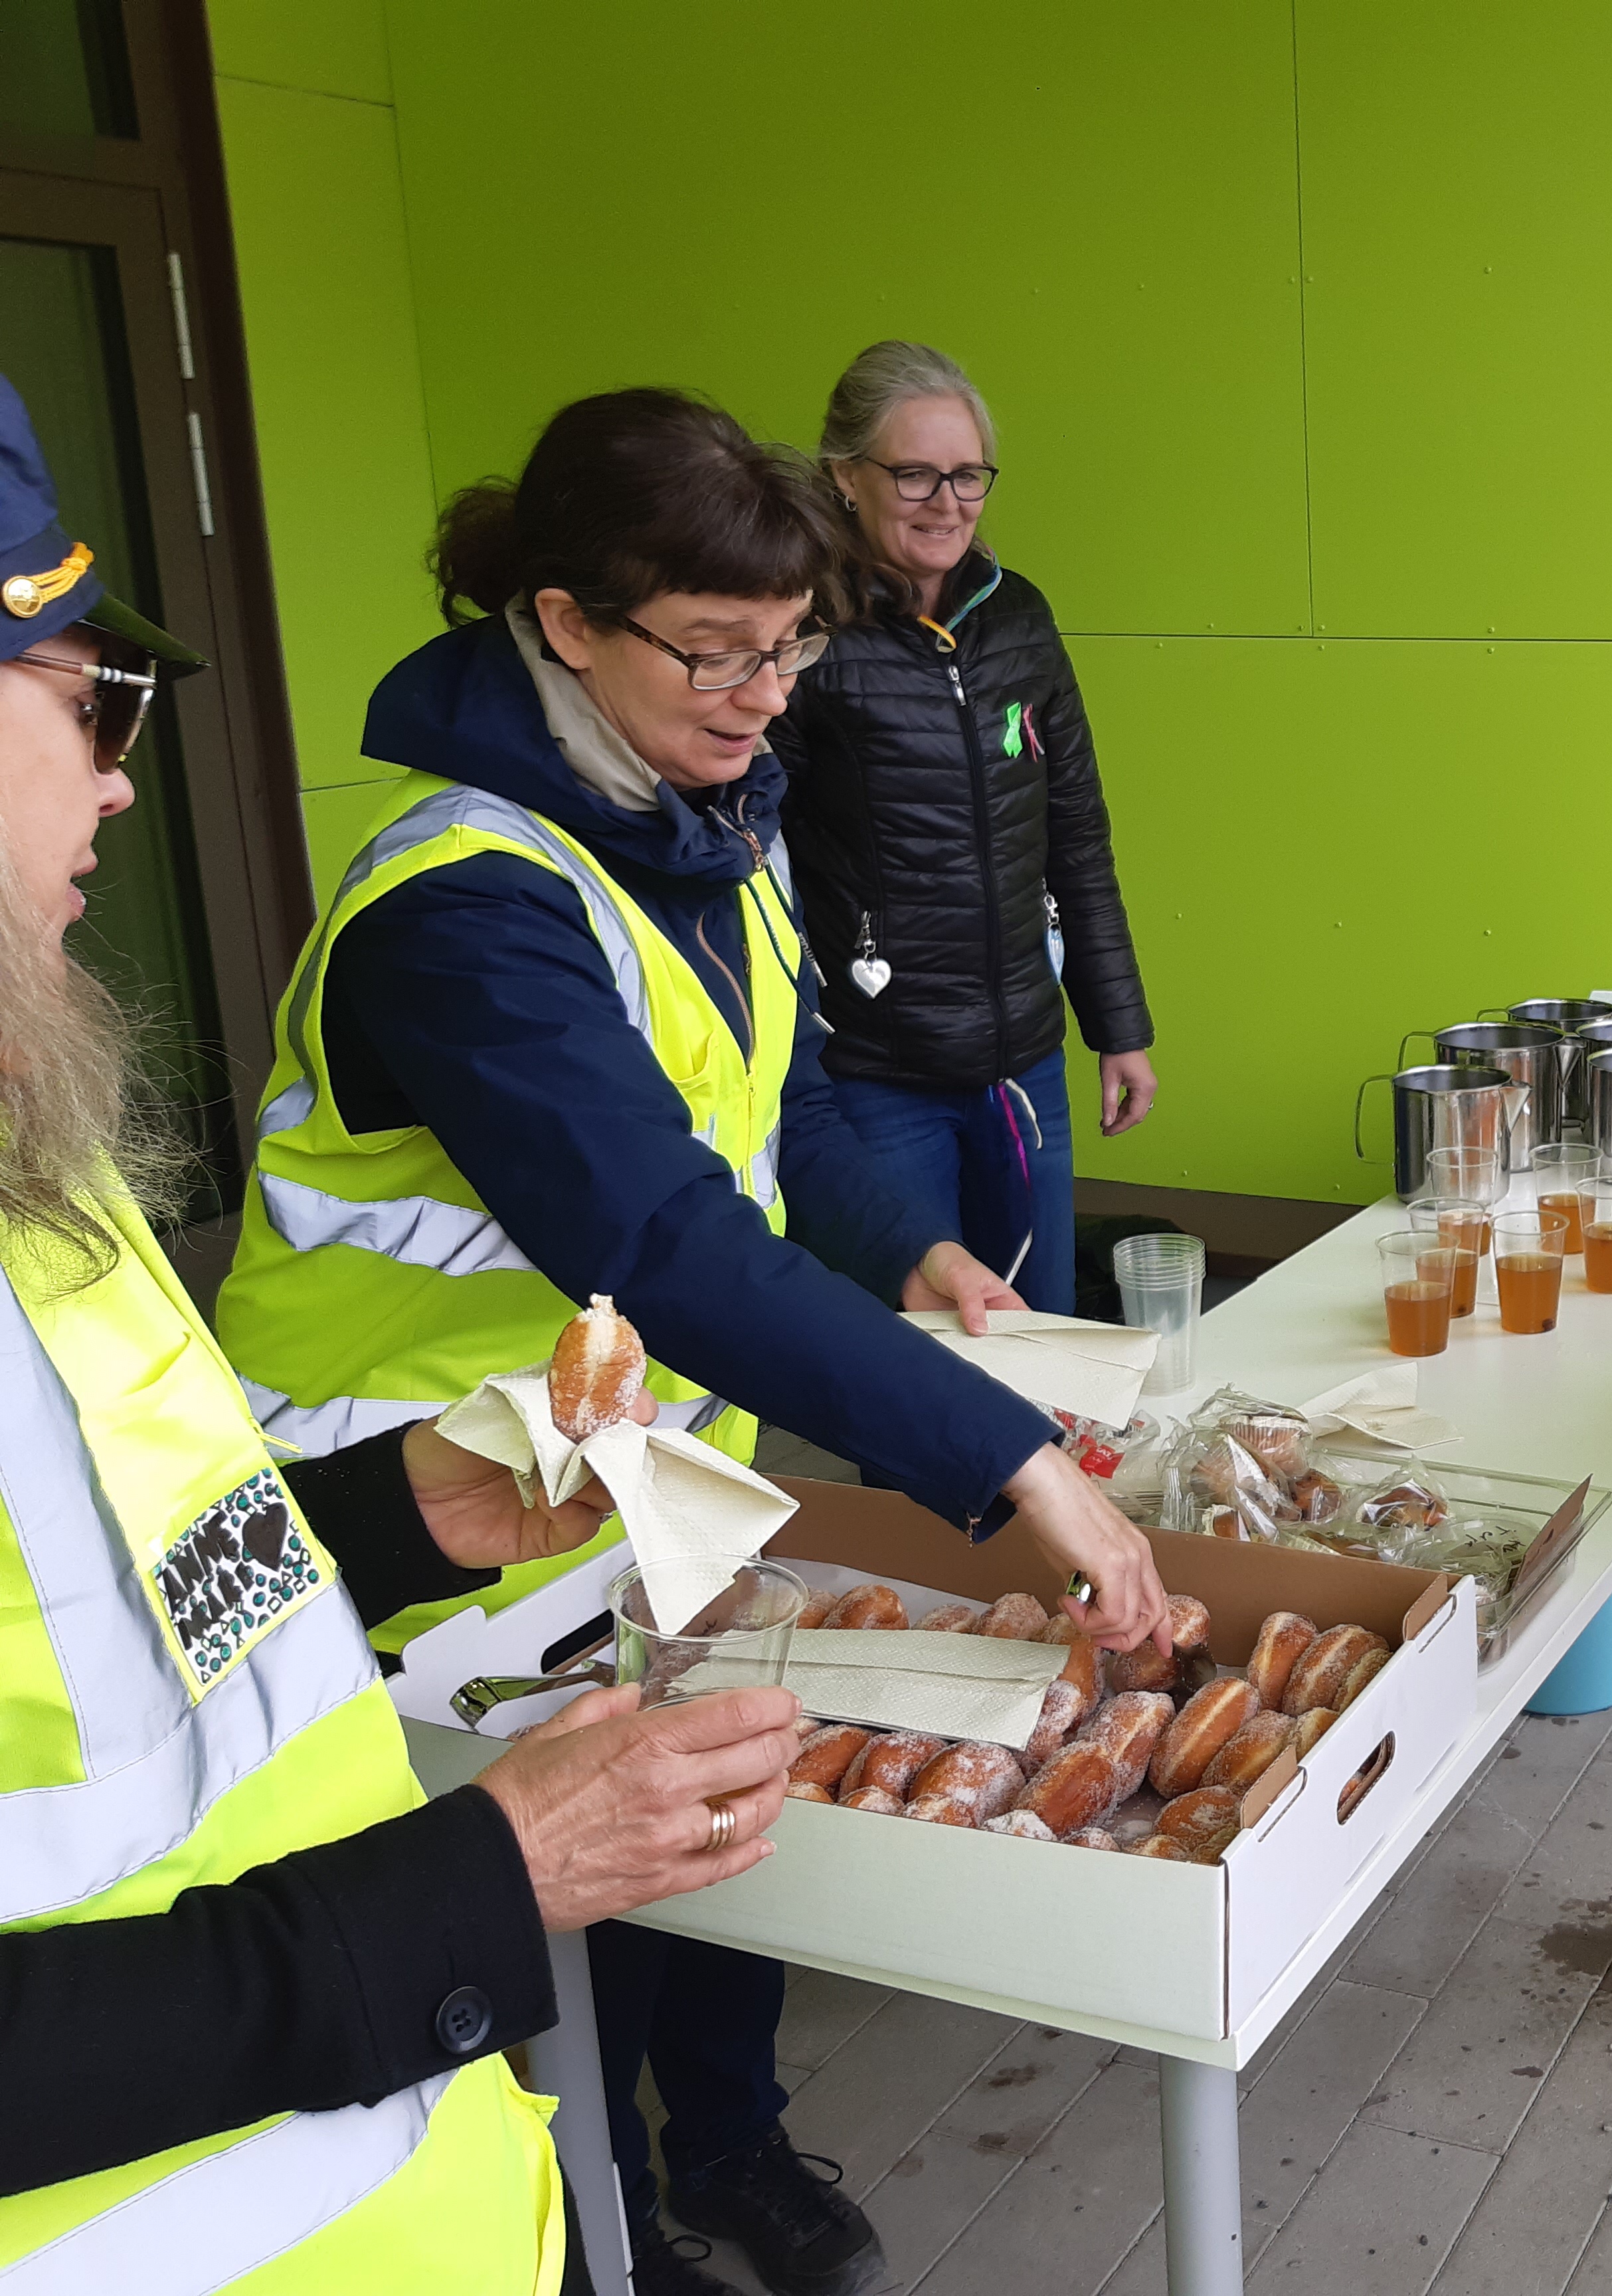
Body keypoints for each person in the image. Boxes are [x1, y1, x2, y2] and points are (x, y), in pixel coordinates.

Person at [213, 388, 1170, 2296]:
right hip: (422, 1528)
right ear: (566, 621)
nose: (764, 696)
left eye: (789, 648)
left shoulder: (709, 821)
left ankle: (729, 2148)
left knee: (721, 1815)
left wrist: (916, 1255)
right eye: (716, 651)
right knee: (538, 1929)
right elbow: (656, 1232)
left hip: (645, 1488)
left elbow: (778, 1115)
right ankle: (601, 2220)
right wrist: (1005, 1461)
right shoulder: (463, 901)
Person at [0, 372, 804, 2295]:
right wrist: (471, 1889)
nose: (121, 779)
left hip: (430, 2200)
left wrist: (385, 1516)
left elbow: (112, 1619)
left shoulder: (42, 1132)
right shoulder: (467, 897)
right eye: (90, 698)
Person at [778, 340, 1156, 1315]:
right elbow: (753, 860)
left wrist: (1117, 1027)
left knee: (1047, 1340)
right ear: (845, 477)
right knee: (919, 1346)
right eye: (914, 474)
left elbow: (1076, 833)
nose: (946, 502)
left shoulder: (1018, 616)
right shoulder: (802, 634)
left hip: (1024, 1064)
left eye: (969, 475)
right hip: (877, 1072)